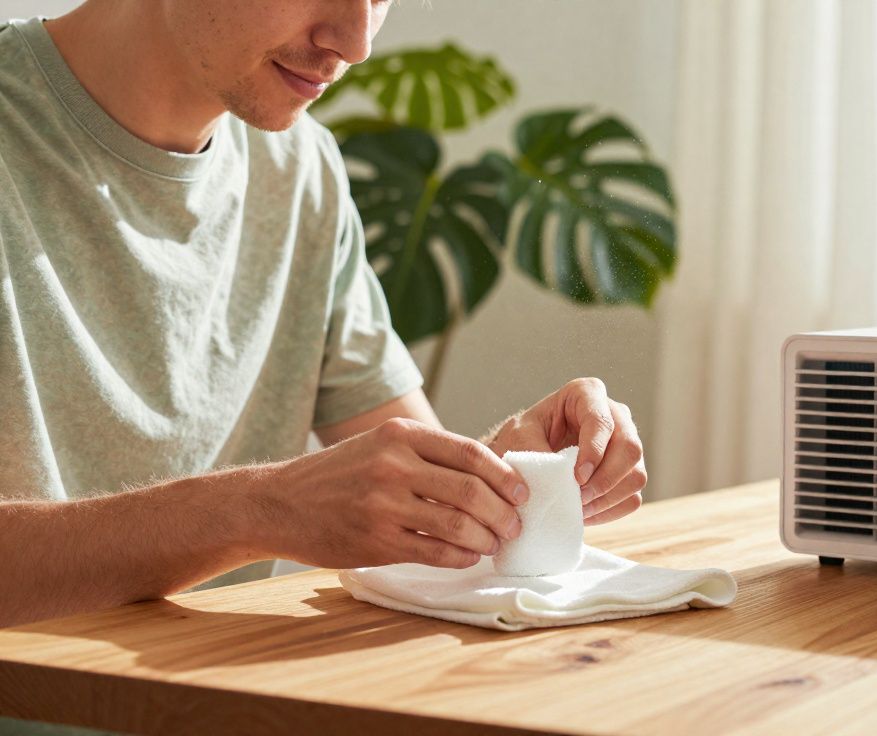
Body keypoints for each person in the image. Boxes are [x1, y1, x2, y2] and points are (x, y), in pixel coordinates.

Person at [0, 0, 646, 628]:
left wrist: (513, 474)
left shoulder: (301, 168)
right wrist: (257, 510)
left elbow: (409, 498)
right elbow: (277, 506)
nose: (357, 43)